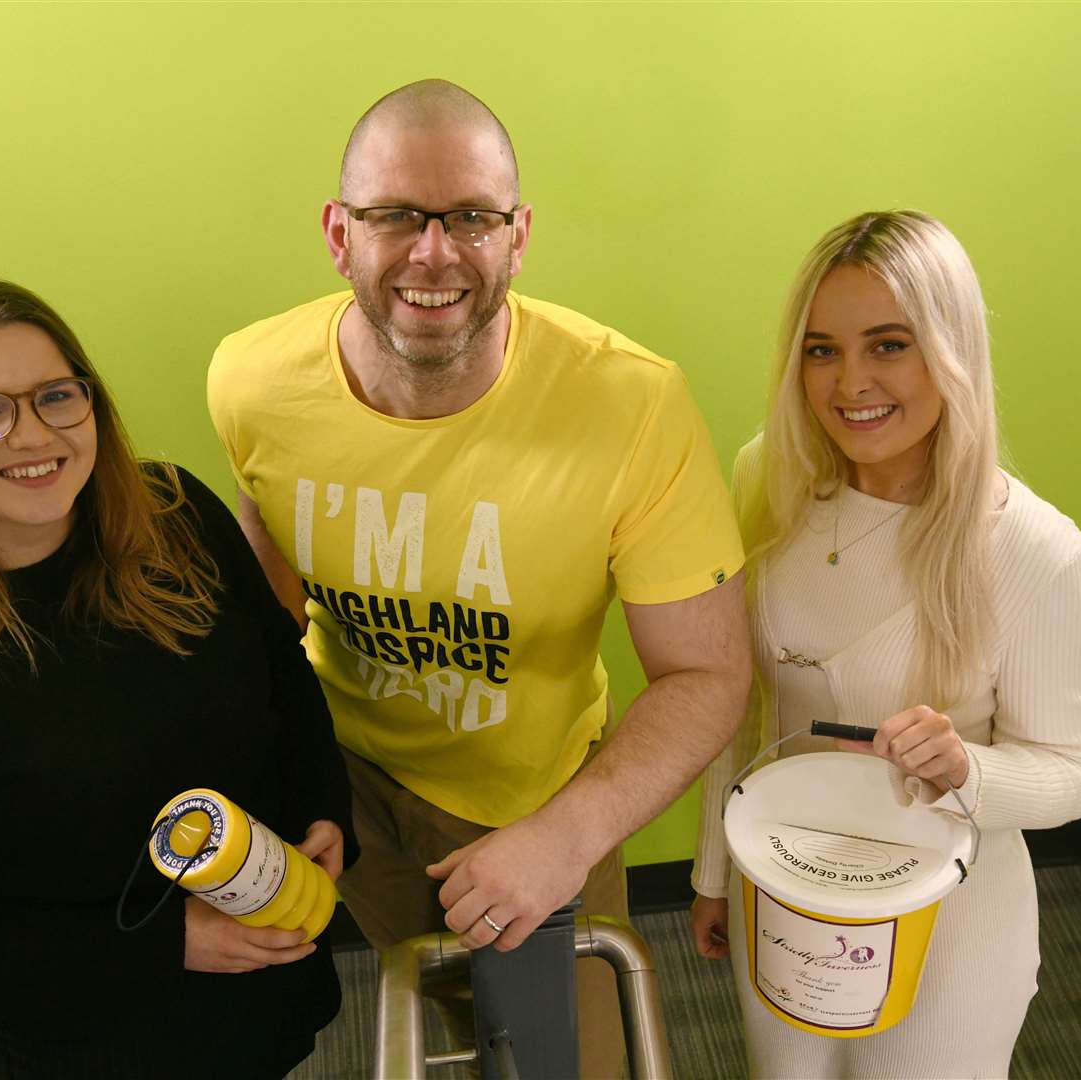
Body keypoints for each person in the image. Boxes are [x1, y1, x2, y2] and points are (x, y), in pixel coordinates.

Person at [207, 79, 751, 1075]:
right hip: (355, 791)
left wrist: (562, 838)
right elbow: (271, 603)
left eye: (470, 217)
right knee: (440, 1016)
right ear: (339, 233)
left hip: (536, 802)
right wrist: (280, 779)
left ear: (518, 234)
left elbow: (708, 673)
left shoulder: (630, 405)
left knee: (560, 1062)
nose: (432, 251)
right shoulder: (249, 381)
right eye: (394, 216)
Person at [0, 279, 356, 1079]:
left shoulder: (177, 513)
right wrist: (167, 943)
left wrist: (321, 806)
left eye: (55, 396)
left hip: (266, 981)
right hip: (97, 1043)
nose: (31, 435)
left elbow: (282, 664)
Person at [688, 210, 1081, 1078]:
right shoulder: (769, 475)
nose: (850, 383)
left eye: (888, 345)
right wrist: (716, 872)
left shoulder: (1032, 549)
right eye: (821, 349)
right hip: (788, 877)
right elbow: (740, 704)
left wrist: (968, 770)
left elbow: (1071, 774)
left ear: (951, 351)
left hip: (950, 916)